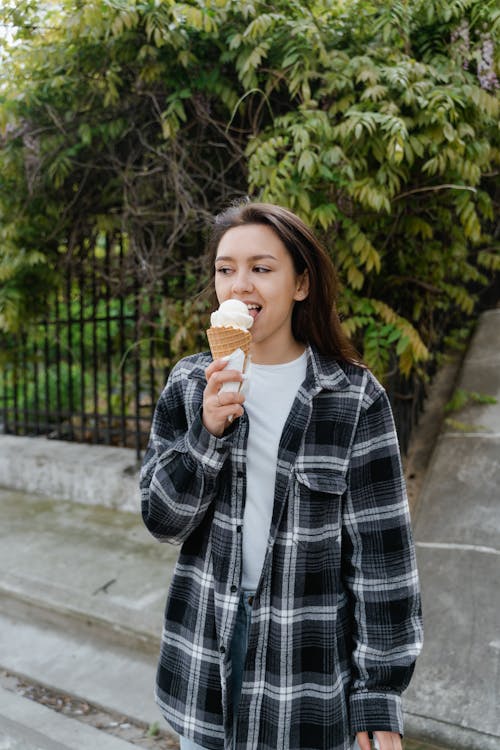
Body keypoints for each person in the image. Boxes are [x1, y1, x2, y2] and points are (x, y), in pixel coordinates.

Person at [140, 202, 423, 750]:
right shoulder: (190, 382)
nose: (239, 286)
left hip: (307, 658)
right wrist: (206, 433)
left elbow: (384, 558)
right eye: (226, 269)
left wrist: (379, 699)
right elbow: (161, 519)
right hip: (206, 644)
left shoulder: (354, 398)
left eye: (261, 269)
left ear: (301, 284)